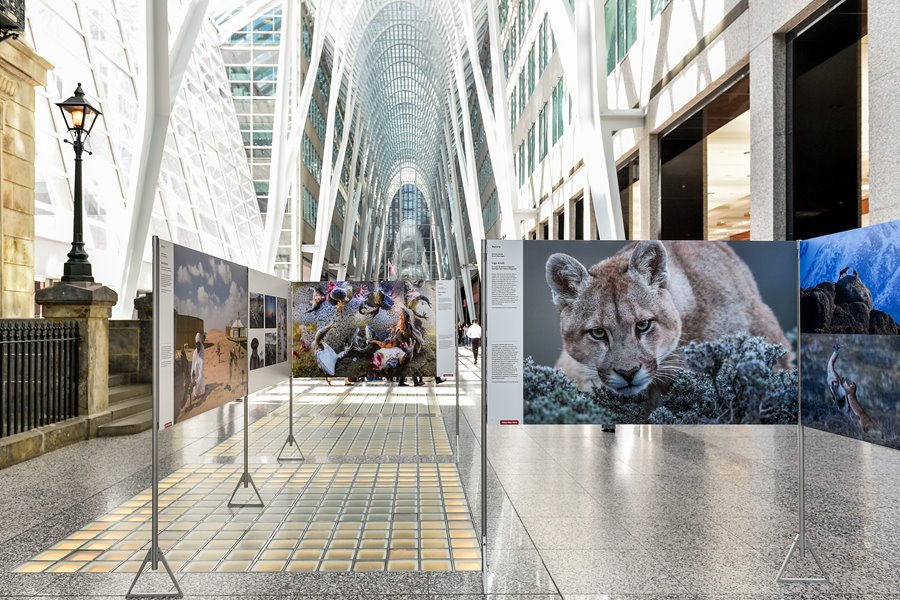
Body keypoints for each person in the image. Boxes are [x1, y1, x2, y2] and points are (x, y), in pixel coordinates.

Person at [191, 332, 206, 399]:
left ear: (200, 343)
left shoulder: (202, 352)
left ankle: (202, 393)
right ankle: (196, 394)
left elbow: (201, 363)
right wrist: (192, 371)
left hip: (200, 369)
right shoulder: (194, 352)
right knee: (194, 379)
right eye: (196, 344)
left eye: (198, 344)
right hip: (195, 369)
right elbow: (193, 362)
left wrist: (197, 380)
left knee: (200, 378)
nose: (197, 345)